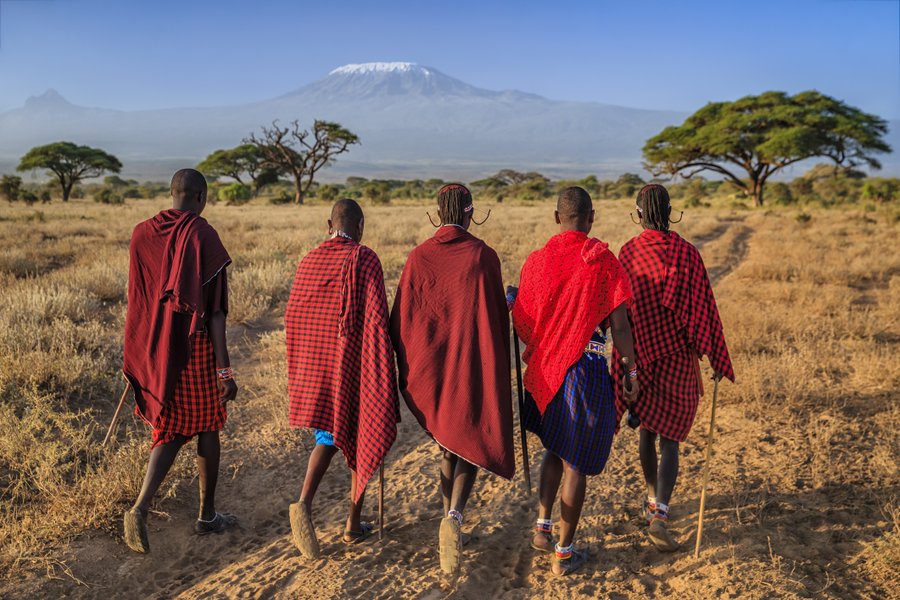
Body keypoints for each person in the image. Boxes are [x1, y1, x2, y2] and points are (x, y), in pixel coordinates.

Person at [510, 186, 639, 576]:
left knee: (554, 446)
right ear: (592, 217)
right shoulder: (603, 262)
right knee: (576, 462)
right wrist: (631, 371)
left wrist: (516, 304)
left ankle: (542, 528)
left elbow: (524, 321)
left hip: (548, 369)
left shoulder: (538, 261)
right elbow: (620, 327)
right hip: (585, 371)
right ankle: (564, 553)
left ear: (556, 218)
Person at [390, 184, 514, 575]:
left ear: (438, 214)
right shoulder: (483, 255)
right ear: (469, 213)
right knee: (471, 440)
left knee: (449, 442)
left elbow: (404, 317)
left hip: (432, 366)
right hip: (471, 364)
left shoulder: (418, 256)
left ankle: (449, 518)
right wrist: (510, 302)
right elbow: (495, 314)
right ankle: (455, 517)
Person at [122, 168, 238, 553]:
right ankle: (202, 515)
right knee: (205, 425)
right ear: (201, 197)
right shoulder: (203, 235)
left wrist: (144, 349)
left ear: (172, 193)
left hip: (155, 347)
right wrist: (224, 370)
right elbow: (215, 312)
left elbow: (141, 298)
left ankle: (145, 508)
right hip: (193, 347)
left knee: (175, 427)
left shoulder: (142, 233)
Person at [614, 183, 734, 552]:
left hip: (641, 359)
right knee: (671, 441)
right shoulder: (687, 254)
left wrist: (628, 367)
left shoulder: (629, 253)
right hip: (679, 361)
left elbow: (621, 315)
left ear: (638, 214)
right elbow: (703, 309)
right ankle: (660, 513)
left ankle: (652, 500)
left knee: (647, 432)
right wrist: (715, 355)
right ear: (669, 212)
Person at [284, 199, 399, 559]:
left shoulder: (309, 260)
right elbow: (378, 319)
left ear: (328, 225)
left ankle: (311, 505)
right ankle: (348, 522)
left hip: (319, 366)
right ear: (360, 227)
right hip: (354, 364)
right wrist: (383, 363)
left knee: (328, 435)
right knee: (362, 436)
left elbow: (294, 315)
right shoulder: (365, 258)